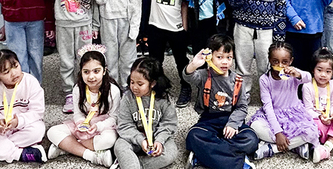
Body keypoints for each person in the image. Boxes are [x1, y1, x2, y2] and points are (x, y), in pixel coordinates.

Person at [183, 34, 259, 169]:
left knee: (251, 139)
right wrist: (194, 64)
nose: (225, 62)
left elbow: (242, 107)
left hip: (230, 119)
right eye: (219, 57)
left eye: (229, 57)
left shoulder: (237, 80)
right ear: (210, 57)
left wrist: (233, 124)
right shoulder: (203, 76)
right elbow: (188, 77)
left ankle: (203, 156)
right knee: (193, 136)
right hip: (208, 120)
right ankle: (239, 162)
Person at [230, 0, 287, 96]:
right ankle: (242, 97)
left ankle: (266, 96)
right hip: (243, 27)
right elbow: (232, 3)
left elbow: (281, 8)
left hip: (267, 30)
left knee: (266, 66)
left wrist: (279, 36)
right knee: (242, 65)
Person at [47, 46, 121, 167]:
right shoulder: (77, 89)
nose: (91, 76)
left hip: (103, 126)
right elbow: (78, 113)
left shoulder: (113, 91)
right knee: (52, 132)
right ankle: (93, 156)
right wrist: (81, 123)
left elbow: (114, 117)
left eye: (96, 71)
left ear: (104, 70)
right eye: (86, 72)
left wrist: (98, 126)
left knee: (109, 140)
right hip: (83, 126)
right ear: (81, 72)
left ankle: (67, 147)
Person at [0, 50, 47, 166]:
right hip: (2, 130)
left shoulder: (30, 82)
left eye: (15, 66)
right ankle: (20, 153)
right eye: (6, 72)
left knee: (38, 130)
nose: (14, 73)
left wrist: (19, 121)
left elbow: (37, 111)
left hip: (24, 126)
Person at [47, 0, 97, 114]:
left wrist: (95, 25)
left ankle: (85, 90)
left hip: (84, 24)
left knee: (85, 59)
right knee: (66, 60)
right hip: (64, 25)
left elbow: (97, 0)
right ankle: (69, 92)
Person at [249, 43, 321, 162]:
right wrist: (278, 133)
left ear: (291, 61)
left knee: (311, 131)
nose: (280, 65)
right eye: (275, 61)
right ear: (270, 60)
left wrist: (297, 74)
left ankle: (272, 148)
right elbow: (268, 108)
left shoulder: (293, 74)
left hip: (293, 115)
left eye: (284, 62)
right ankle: (295, 146)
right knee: (255, 126)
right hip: (273, 114)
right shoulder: (264, 79)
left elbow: (309, 77)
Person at [140, 0, 192, 107]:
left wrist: (184, 26)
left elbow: (184, 4)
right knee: (156, 60)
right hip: (156, 26)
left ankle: (186, 86)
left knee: (181, 60)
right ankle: (160, 88)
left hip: (176, 28)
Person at [113, 57, 180, 169]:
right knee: (119, 146)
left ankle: (132, 164)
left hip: (156, 136)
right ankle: (130, 163)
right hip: (134, 138)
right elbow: (124, 125)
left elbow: (169, 123)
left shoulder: (163, 99)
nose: (134, 87)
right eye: (132, 82)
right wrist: (141, 140)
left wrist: (159, 141)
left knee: (171, 154)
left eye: (140, 84)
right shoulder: (127, 98)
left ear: (152, 83)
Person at [302, 49, 333, 160]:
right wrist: (320, 117)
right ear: (313, 69)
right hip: (316, 118)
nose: (323, 75)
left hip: (329, 117)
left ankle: (327, 148)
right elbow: (308, 109)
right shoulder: (307, 86)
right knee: (314, 126)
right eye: (319, 70)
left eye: (328, 72)